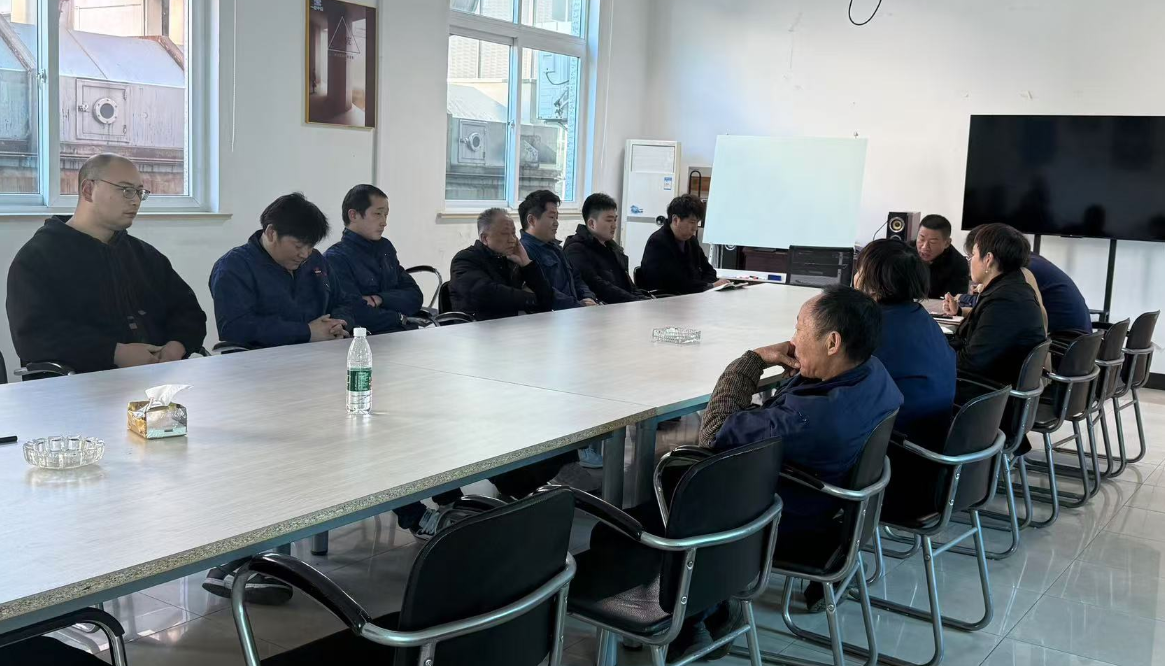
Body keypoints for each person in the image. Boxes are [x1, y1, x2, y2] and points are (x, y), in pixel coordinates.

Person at [697, 286, 902, 626]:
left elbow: (713, 434)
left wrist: (752, 360)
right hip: (833, 508)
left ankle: (700, 613)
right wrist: (804, 376)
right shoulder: (874, 373)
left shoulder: (807, 420)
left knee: (674, 481)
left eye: (798, 328)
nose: (792, 341)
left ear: (832, 343)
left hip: (780, 518)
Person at [6, 153, 206, 373]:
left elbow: (189, 313)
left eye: (140, 192)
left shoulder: (145, 255)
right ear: (88, 190)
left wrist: (176, 347)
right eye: (126, 190)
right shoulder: (37, 258)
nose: (135, 201)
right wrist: (115, 353)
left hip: (161, 379)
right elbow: (34, 337)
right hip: (81, 385)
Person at [209, 193, 396, 349]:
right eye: (298, 246)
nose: (305, 254)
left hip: (322, 356)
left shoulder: (315, 260)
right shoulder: (234, 267)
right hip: (262, 363)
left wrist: (338, 323)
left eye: (310, 246)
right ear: (271, 233)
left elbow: (344, 302)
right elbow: (234, 327)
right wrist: (307, 332)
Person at [854, 239, 955, 442]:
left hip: (898, 443)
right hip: (936, 434)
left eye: (859, 270)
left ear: (874, 284)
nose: (855, 277)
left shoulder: (873, 327)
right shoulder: (919, 316)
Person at [946, 223, 1047, 386]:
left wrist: (934, 356)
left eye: (973, 255)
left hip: (985, 392)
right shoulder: (1012, 288)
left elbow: (971, 363)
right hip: (992, 385)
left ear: (988, 259)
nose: (970, 261)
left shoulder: (1006, 301)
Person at [325, 184, 425, 327]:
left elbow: (415, 296)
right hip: (369, 337)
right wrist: (399, 317)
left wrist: (379, 299)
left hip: (402, 333)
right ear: (353, 215)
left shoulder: (385, 248)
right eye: (378, 214)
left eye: (386, 215)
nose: (384, 222)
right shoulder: (336, 258)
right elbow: (356, 313)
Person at [449, 208, 556, 320]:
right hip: (476, 327)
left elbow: (547, 297)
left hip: (511, 326)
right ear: (484, 238)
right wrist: (535, 300)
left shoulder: (510, 259)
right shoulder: (464, 259)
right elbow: (488, 294)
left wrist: (526, 263)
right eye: (505, 234)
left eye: (513, 233)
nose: (512, 239)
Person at [517, 189, 597, 309]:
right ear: (532, 220)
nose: (556, 223)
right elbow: (543, 291)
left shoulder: (555, 247)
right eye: (551, 217)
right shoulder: (524, 252)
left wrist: (588, 297)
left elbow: (576, 278)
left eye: (557, 218)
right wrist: (577, 305)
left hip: (576, 311)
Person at [564, 193, 649, 304]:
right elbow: (598, 286)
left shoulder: (612, 247)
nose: (614, 226)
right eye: (609, 220)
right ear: (591, 223)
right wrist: (635, 302)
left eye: (615, 220)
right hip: (604, 309)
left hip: (626, 306)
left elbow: (629, 284)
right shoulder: (575, 250)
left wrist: (643, 301)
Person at [636, 194, 729, 294]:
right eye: (692, 222)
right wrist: (709, 286)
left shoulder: (691, 241)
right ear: (676, 220)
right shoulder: (657, 242)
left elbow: (709, 270)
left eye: (697, 222)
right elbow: (675, 282)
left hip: (693, 296)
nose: (695, 228)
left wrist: (709, 285)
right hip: (667, 299)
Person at [915, 214, 971, 299]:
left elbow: (954, 300)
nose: (924, 247)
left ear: (947, 243)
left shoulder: (958, 264)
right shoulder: (904, 254)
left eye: (932, 242)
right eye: (921, 239)